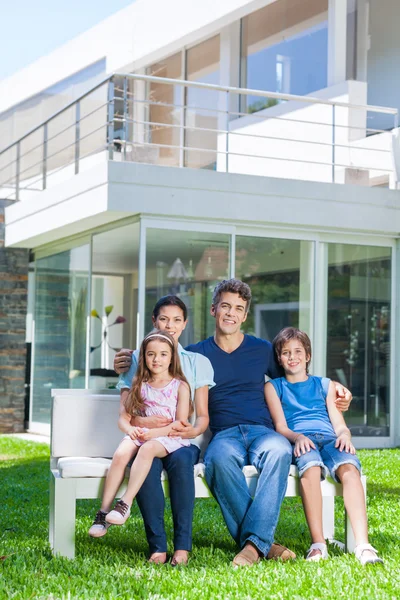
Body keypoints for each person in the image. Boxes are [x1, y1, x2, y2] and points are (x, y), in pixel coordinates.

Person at [115, 279, 352, 566]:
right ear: (214, 309)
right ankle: (263, 543)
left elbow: (297, 373)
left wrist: (335, 387)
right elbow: (157, 356)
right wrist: (127, 359)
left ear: (245, 315)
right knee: (217, 461)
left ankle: (252, 545)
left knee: (279, 452)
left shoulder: (262, 349)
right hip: (224, 434)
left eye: (238, 308)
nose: (231, 313)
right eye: (225, 306)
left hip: (263, 431)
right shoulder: (194, 354)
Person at [107, 296, 214, 566]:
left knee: (179, 464)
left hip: (183, 440)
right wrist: (147, 427)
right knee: (147, 466)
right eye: (164, 319)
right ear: (154, 321)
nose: (170, 325)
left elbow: (201, 416)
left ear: (185, 324)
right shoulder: (138, 358)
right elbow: (128, 410)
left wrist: (190, 431)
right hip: (147, 440)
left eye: (177, 320)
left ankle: (182, 547)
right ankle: (157, 546)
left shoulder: (197, 363)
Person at [264, 327, 383, 565]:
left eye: (298, 351)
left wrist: (346, 436)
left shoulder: (325, 385)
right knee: (310, 468)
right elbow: (281, 426)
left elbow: (338, 423)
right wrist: (297, 437)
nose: (292, 357)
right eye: (286, 352)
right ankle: (318, 544)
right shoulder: (273, 387)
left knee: (349, 468)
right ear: (279, 358)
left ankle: (363, 545)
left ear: (308, 355)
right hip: (301, 440)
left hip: (329, 439)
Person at [89, 330, 193, 540]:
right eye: (151, 354)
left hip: (169, 436)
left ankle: (124, 504)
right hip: (143, 433)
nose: (157, 359)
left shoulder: (180, 386)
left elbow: (180, 423)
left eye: (163, 354)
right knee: (120, 454)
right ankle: (102, 513)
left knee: (146, 449)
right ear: (143, 357)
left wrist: (154, 433)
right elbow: (124, 419)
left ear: (172, 357)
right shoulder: (139, 385)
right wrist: (130, 430)